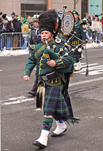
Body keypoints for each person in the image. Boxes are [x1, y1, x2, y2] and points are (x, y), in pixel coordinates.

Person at [23, 9, 79, 148]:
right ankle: (60, 125)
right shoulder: (38, 47)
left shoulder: (60, 46)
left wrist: (57, 63)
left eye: (46, 33)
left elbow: (69, 60)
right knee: (49, 107)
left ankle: (43, 138)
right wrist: (27, 72)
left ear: (52, 33)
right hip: (43, 82)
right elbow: (31, 60)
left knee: (48, 109)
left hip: (56, 82)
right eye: (41, 33)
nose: (43, 35)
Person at [27, 15, 41, 96]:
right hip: (34, 55)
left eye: (37, 22)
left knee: (39, 73)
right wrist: (30, 53)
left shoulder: (43, 32)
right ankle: (36, 89)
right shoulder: (32, 32)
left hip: (41, 55)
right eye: (35, 22)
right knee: (37, 72)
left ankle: (34, 89)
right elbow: (30, 43)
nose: (36, 23)